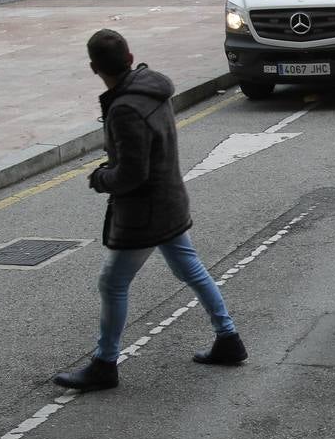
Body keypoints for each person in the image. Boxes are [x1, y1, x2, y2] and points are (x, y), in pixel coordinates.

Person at [54, 30, 247, 392]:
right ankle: (228, 338)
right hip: (170, 199)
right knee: (190, 268)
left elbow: (131, 174)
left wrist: (101, 178)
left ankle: (105, 363)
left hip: (145, 214)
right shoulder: (152, 89)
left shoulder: (125, 109)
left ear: (94, 67)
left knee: (113, 283)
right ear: (130, 58)